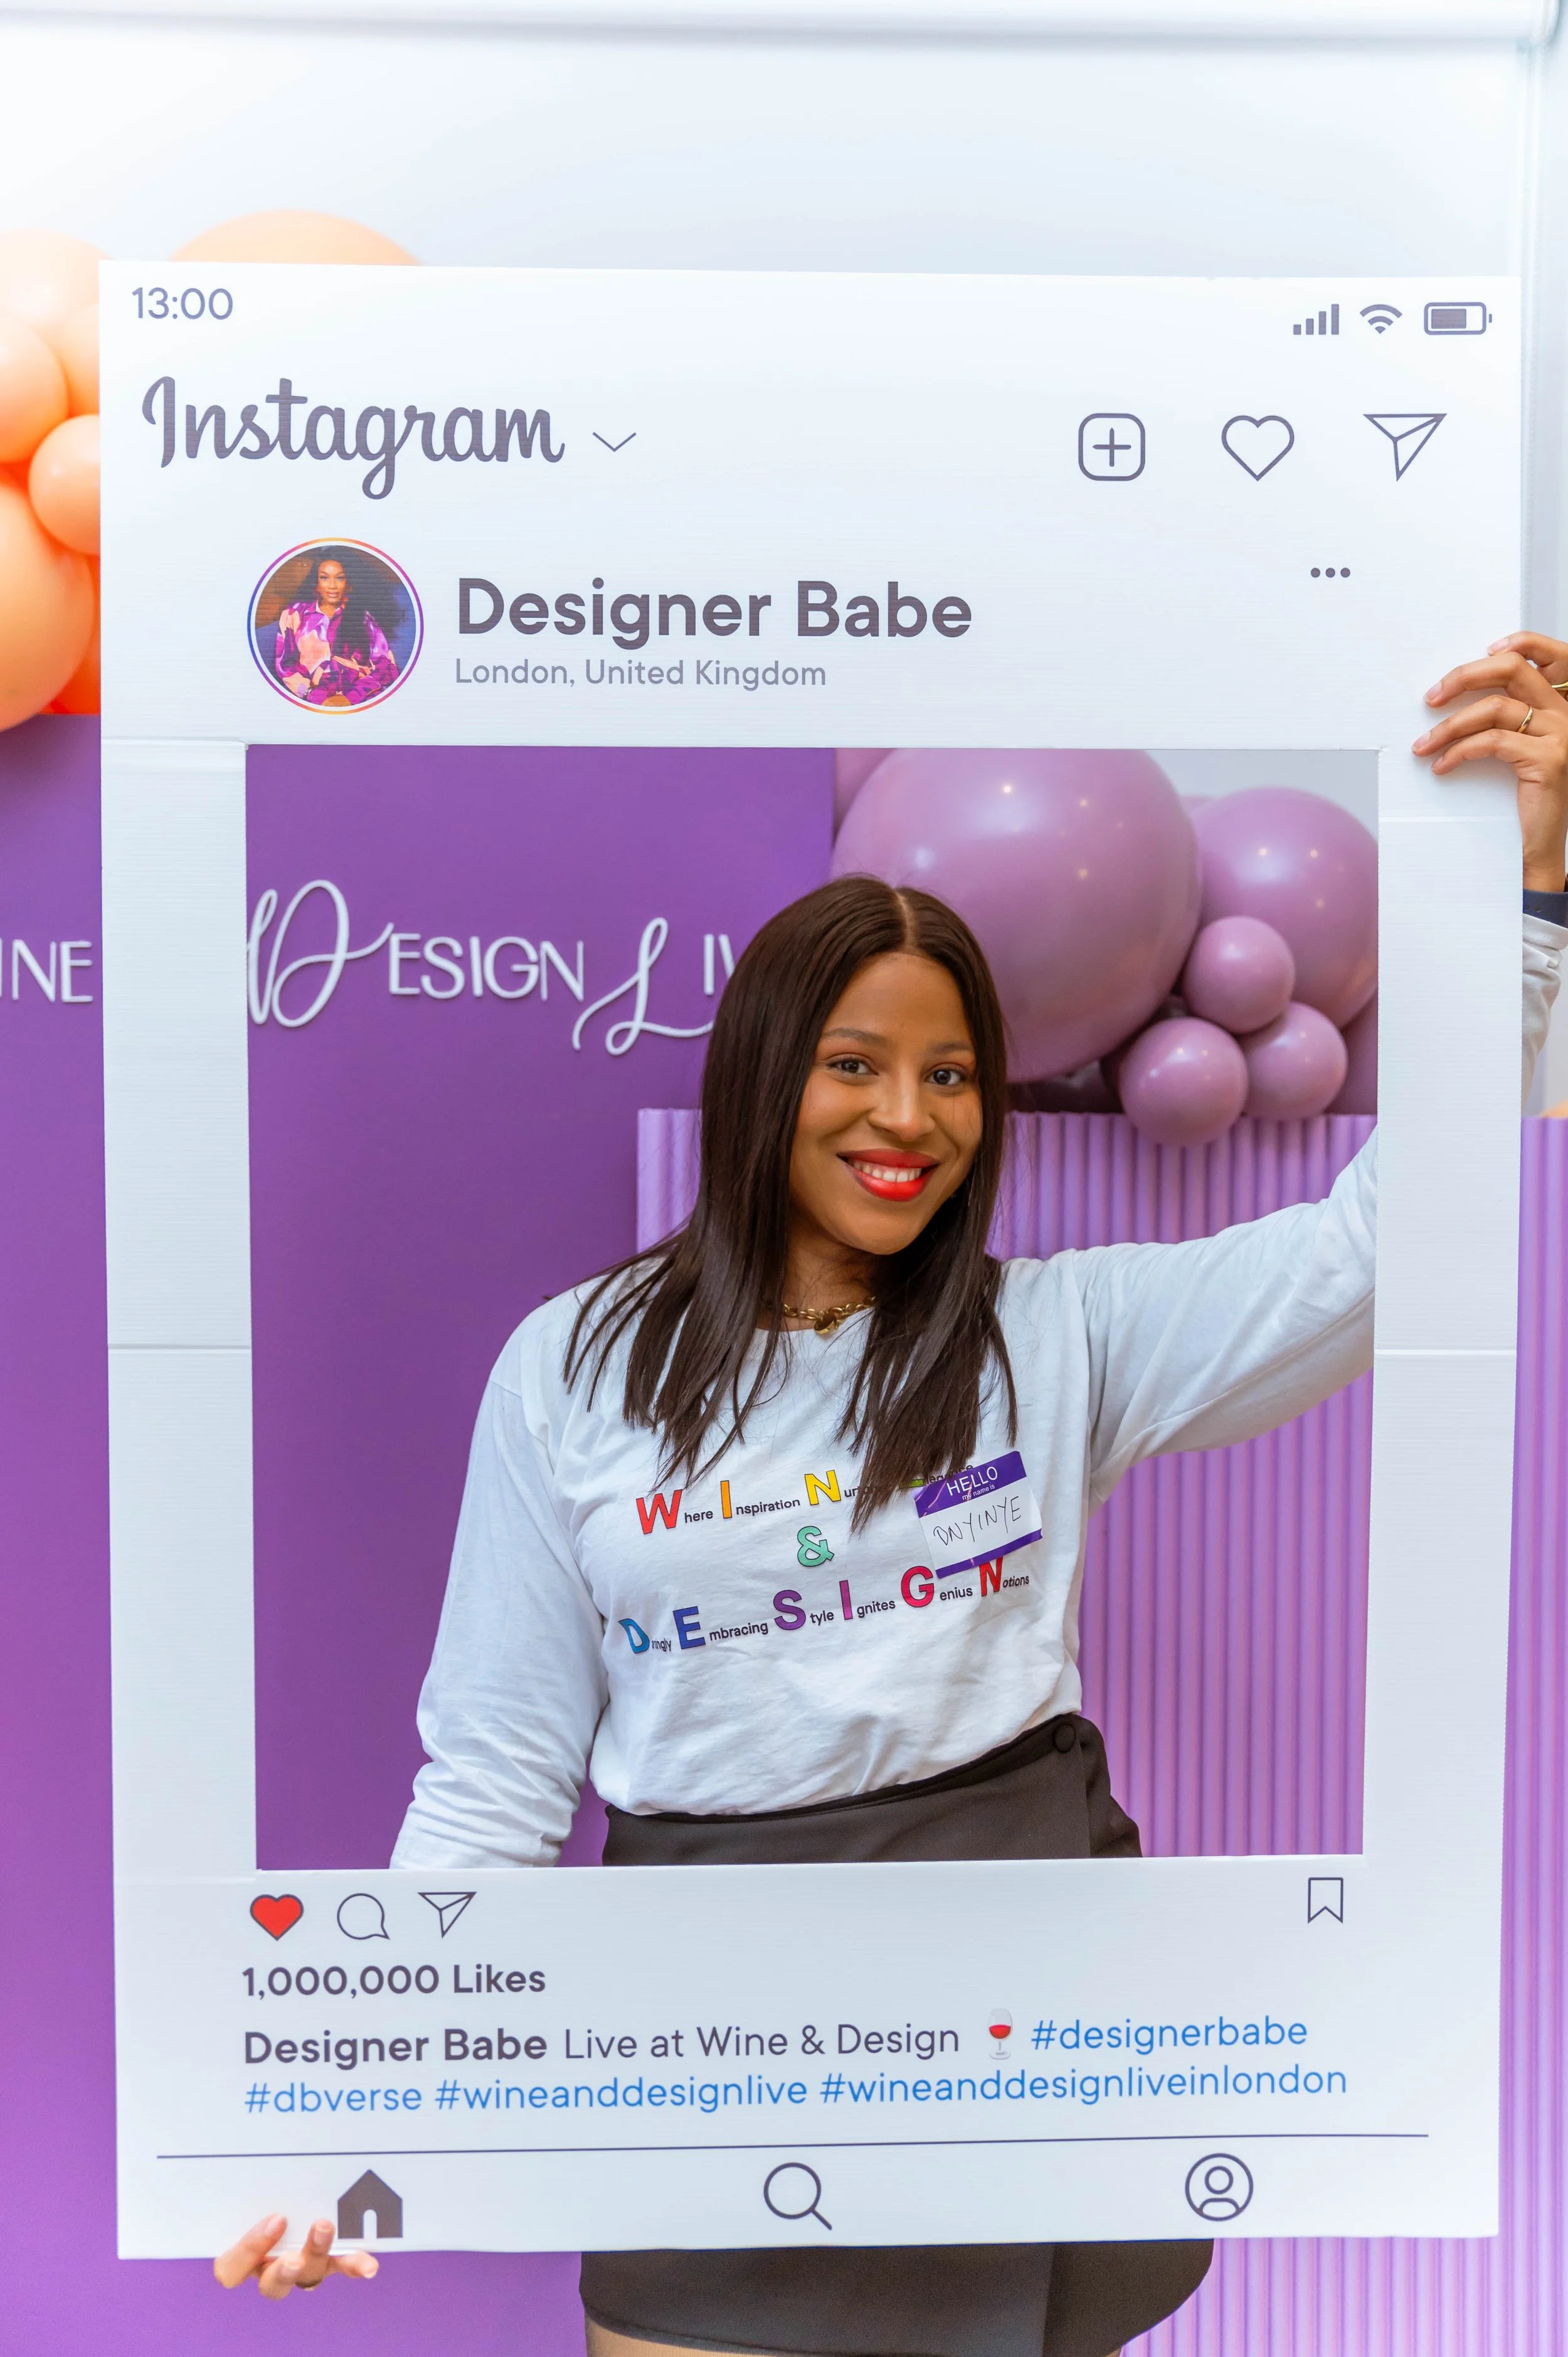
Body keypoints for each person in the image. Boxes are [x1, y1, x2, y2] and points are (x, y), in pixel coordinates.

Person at [217, 647, 1568, 2351]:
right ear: (764, 1071)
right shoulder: (569, 1368)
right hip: (701, 2025)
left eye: (950, 1076)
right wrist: (347, 2139)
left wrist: (1528, 895)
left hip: (1013, 1998)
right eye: (857, 1062)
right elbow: (490, 1776)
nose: (907, 1117)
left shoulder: (1052, 1334)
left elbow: (1384, 1254)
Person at [271, 547, 398, 707]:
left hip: (361, 699)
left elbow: (385, 665)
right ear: (316, 582)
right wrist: (315, 696)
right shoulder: (293, 615)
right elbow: (286, 668)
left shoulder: (364, 618)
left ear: (349, 584)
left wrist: (351, 698)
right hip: (310, 699)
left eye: (340, 578)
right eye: (325, 578)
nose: (332, 586)